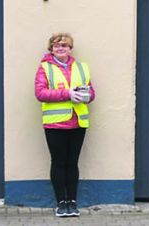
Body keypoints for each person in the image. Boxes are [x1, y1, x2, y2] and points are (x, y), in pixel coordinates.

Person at [35, 33, 95, 218]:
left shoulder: (81, 67)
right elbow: (40, 93)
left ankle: (73, 202)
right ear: (51, 49)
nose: (61, 48)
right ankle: (61, 202)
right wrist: (67, 93)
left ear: (70, 48)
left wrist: (85, 95)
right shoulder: (45, 68)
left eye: (64, 45)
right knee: (59, 163)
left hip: (78, 122)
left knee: (72, 163)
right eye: (56, 46)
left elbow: (91, 93)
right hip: (55, 124)